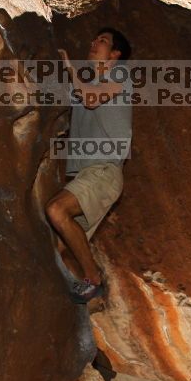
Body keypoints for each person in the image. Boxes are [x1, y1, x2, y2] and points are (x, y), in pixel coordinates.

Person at [46, 28, 133, 304]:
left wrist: (71, 69)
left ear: (115, 55)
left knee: (57, 210)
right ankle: (72, 290)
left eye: (103, 42)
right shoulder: (88, 88)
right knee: (55, 246)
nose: (94, 43)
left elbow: (92, 99)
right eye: (94, 39)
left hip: (104, 171)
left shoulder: (119, 76)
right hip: (90, 174)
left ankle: (93, 279)